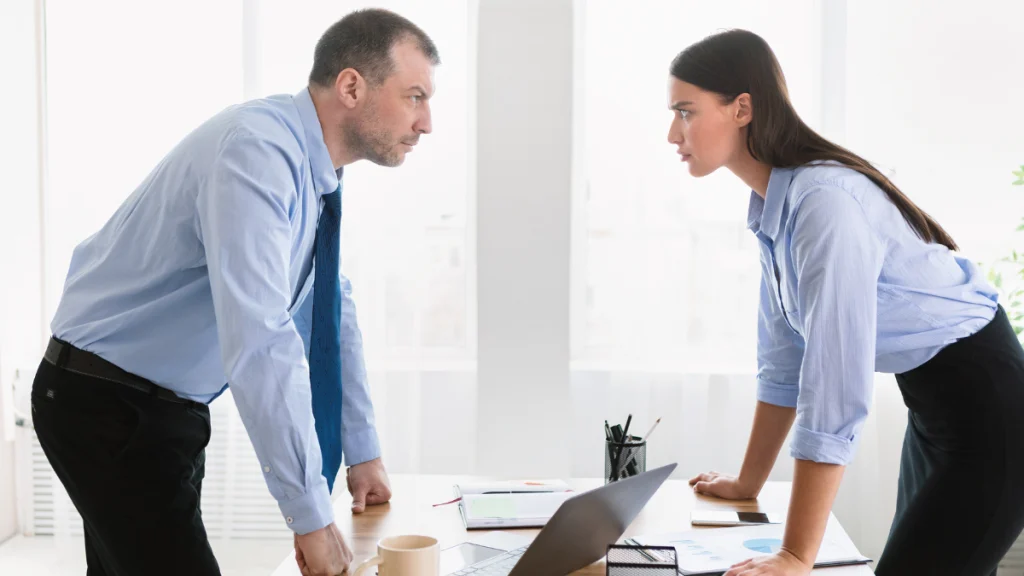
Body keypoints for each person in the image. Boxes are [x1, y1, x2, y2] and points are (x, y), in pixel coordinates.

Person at [30, 8, 438, 576]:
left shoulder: (312, 173)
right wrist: (311, 520)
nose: (426, 123)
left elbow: (328, 314)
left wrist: (361, 448)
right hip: (104, 403)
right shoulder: (257, 154)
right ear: (352, 86)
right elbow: (261, 339)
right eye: (415, 96)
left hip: (160, 410)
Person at [669, 29, 1024, 576]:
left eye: (686, 112)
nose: (674, 133)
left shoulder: (823, 204)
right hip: (935, 408)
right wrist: (748, 484)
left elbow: (833, 384)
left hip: (992, 411)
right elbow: (787, 361)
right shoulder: (773, 205)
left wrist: (795, 555)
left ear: (742, 109)